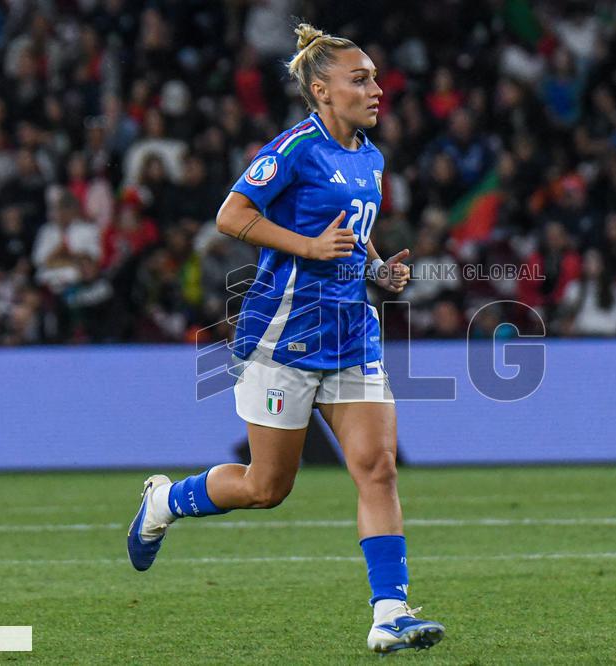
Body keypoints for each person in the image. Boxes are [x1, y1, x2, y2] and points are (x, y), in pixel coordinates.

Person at [126, 23, 445, 653]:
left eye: (376, 77)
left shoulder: (370, 157)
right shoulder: (295, 148)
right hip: (283, 338)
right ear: (322, 91)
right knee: (266, 488)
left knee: (377, 470)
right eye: (362, 79)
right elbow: (231, 215)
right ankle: (166, 500)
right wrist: (306, 246)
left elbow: (352, 232)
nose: (377, 89)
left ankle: (390, 614)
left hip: (352, 334)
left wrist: (378, 269)